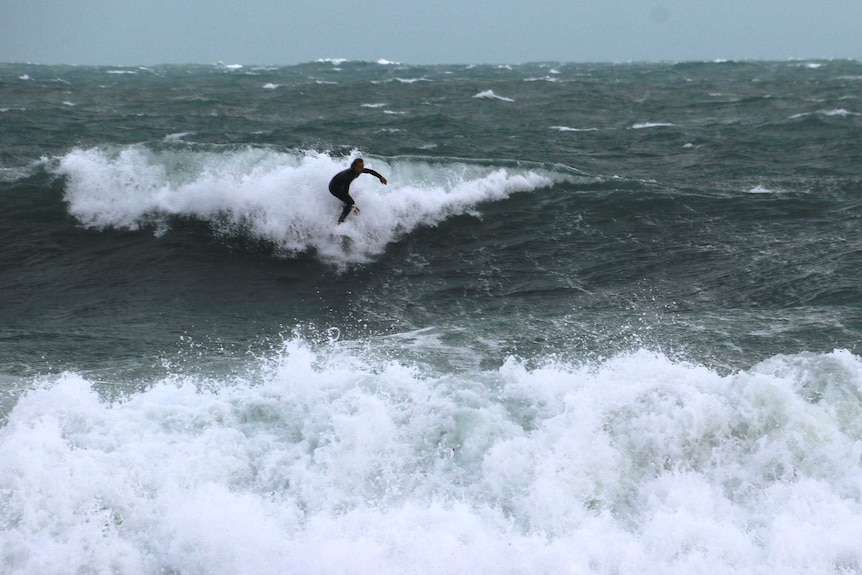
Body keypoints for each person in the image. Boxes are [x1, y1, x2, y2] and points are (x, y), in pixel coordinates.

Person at [328, 158, 387, 224]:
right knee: (350, 202)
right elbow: (345, 189)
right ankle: (340, 221)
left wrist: (380, 177)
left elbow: (369, 171)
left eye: (362, 166)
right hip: (333, 188)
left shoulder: (358, 170)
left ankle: (343, 207)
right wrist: (352, 205)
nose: (361, 168)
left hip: (340, 186)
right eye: (359, 166)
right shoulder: (348, 175)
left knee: (348, 202)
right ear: (354, 166)